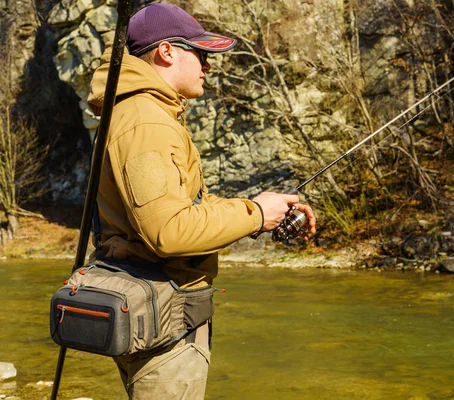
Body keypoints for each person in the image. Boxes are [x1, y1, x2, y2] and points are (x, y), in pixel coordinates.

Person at [86, 3, 316, 399]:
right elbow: (169, 232)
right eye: (202, 53)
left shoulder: (143, 113)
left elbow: (182, 208)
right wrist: (256, 214)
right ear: (167, 52)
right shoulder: (146, 122)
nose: (209, 65)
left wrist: (262, 211)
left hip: (155, 304)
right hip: (164, 316)